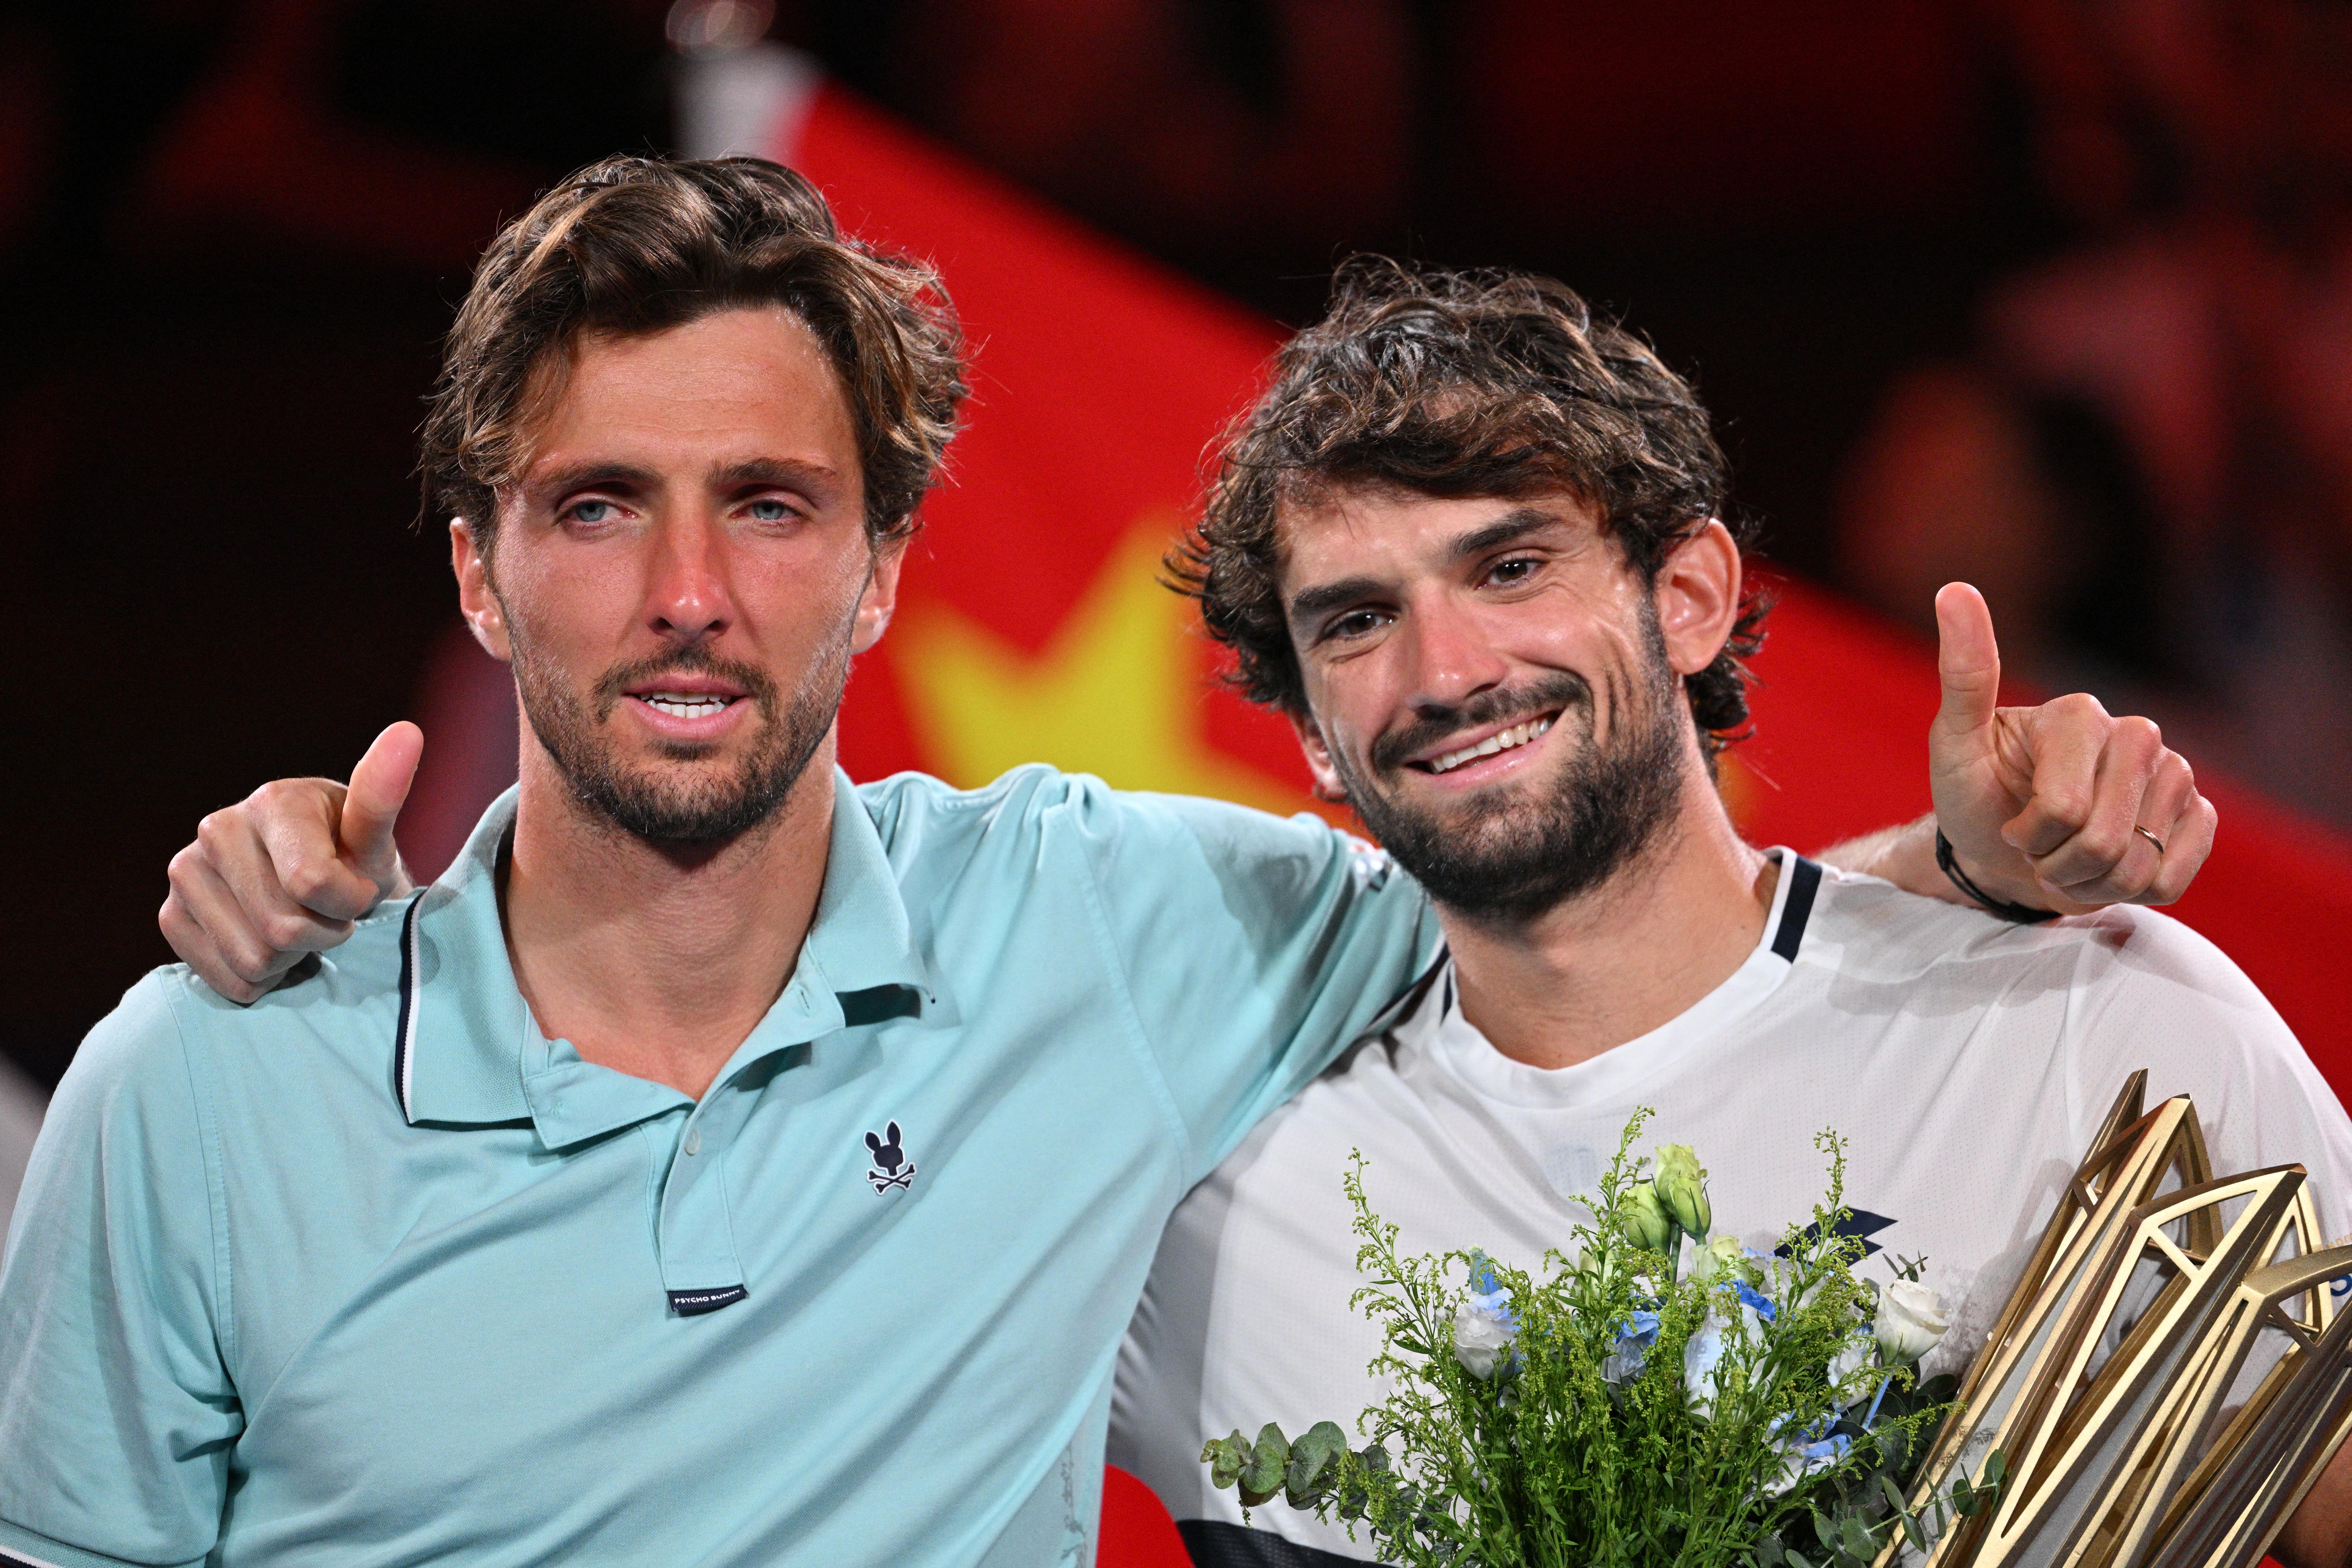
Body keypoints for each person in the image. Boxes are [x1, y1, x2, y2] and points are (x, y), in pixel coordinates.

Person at [19, 158, 2206, 1568]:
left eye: (768, 505)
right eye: (599, 506)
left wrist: (1979, 853)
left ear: (879, 573)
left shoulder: (1109, 930)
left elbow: (1573, 877)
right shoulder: (197, 1089)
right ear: (483, 581)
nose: (687, 589)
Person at [1110, 260, 2352, 1566]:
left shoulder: (2101, 1035)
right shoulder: (1201, 1209)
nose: (1447, 671)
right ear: (1309, 727)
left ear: (1689, 597)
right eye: (1360, 620)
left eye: (1512, 565)